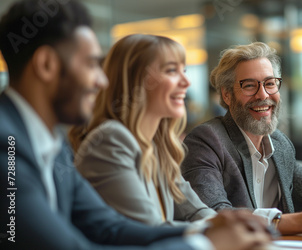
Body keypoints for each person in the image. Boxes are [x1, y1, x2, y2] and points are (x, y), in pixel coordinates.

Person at [0, 1, 270, 249]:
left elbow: (110, 227)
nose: (101, 82)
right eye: (91, 64)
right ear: (46, 65)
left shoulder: (52, 145)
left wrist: (207, 232)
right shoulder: (7, 145)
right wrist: (207, 244)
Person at [180, 42, 302, 235]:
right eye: (249, 85)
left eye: (270, 83)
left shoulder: (280, 144)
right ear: (227, 94)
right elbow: (213, 216)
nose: (263, 94)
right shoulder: (206, 141)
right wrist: (292, 222)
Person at [69, 34, 217, 227]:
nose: (186, 82)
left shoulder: (157, 144)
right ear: (135, 81)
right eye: (172, 70)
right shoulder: (111, 139)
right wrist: (223, 232)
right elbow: (150, 230)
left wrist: (234, 226)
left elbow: (195, 211)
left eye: (184, 71)